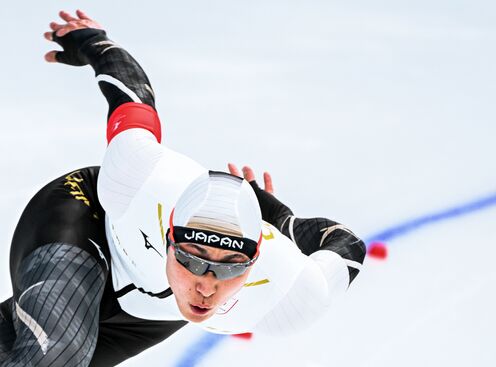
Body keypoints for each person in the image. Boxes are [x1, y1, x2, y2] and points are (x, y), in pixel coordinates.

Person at [0, 10, 366, 367]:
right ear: (168, 236)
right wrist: (95, 42)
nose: (206, 287)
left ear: (256, 260)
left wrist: (285, 222)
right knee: (55, 355)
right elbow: (133, 99)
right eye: (191, 259)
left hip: (144, 316)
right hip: (87, 222)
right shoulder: (139, 175)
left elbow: (346, 245)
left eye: (229, 269)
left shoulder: (288, 292)